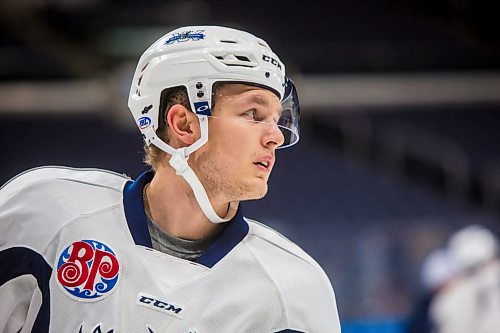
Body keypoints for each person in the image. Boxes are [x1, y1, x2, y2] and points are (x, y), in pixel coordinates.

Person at [0, 26, 341, 332]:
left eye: (277, 118)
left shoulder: (292, 289)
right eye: (254, 114)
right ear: (184, 125)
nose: (276, 137)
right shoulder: (46, 211)